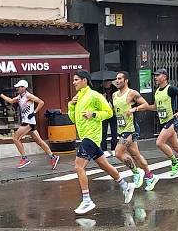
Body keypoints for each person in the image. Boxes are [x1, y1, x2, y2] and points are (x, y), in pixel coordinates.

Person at [68, 70, 136, 214]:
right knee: (104, 164)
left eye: (76, 80)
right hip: (85, 135)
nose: (73, 82)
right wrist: (71, 105)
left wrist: (94, 114)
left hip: (92, 136)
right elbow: (73, 119)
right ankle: (125, 185)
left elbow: (109, 113)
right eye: (73, 80)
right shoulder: (78, 97)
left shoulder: (94, 95)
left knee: (78, 166)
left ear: (84, 80)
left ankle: (87, 200)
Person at [140, 68, 178, 179]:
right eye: (155, 76)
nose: (155, 77)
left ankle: (175, 162)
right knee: (176, 147)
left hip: (172, 121)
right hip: (164, 121)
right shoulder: (157, 91)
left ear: (164, 77)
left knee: (159, 143)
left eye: (158, 75)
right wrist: (145, 107)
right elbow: (156, 107)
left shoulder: (170, 89)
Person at [0, 80, 59, 169]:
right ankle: (53, 157)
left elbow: (41, 102)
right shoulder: (20, 96)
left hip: (28, 121)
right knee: (39, 141)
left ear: (24, 88)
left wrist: (34, 112)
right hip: (29, 122)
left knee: (15, 138)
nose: (17, 88)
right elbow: (10, 101)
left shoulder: (28, 95)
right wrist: (0, 94)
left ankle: (24, 158)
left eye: (19, 87)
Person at [113, 71, 159, 191]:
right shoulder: (114, 95)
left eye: (119, 78)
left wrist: (134, 109)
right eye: (116, 79)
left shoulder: (132, 93)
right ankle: (150, 176)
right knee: (136, 155)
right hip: (121, 128)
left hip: (130, 129)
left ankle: (136, 172)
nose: (117, 81)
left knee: (118, 153)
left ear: (126, 80)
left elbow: (145, 104)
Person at [101, 79, 118, 157]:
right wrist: (102, 98)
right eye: (105, 82)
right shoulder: (99, 90)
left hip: (113, 113)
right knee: (103, 132)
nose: (106, 83)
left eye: (108, 82)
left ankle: (114, 148)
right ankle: (103, 149)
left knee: (114, 131)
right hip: (104, 113)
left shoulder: (115, 89)